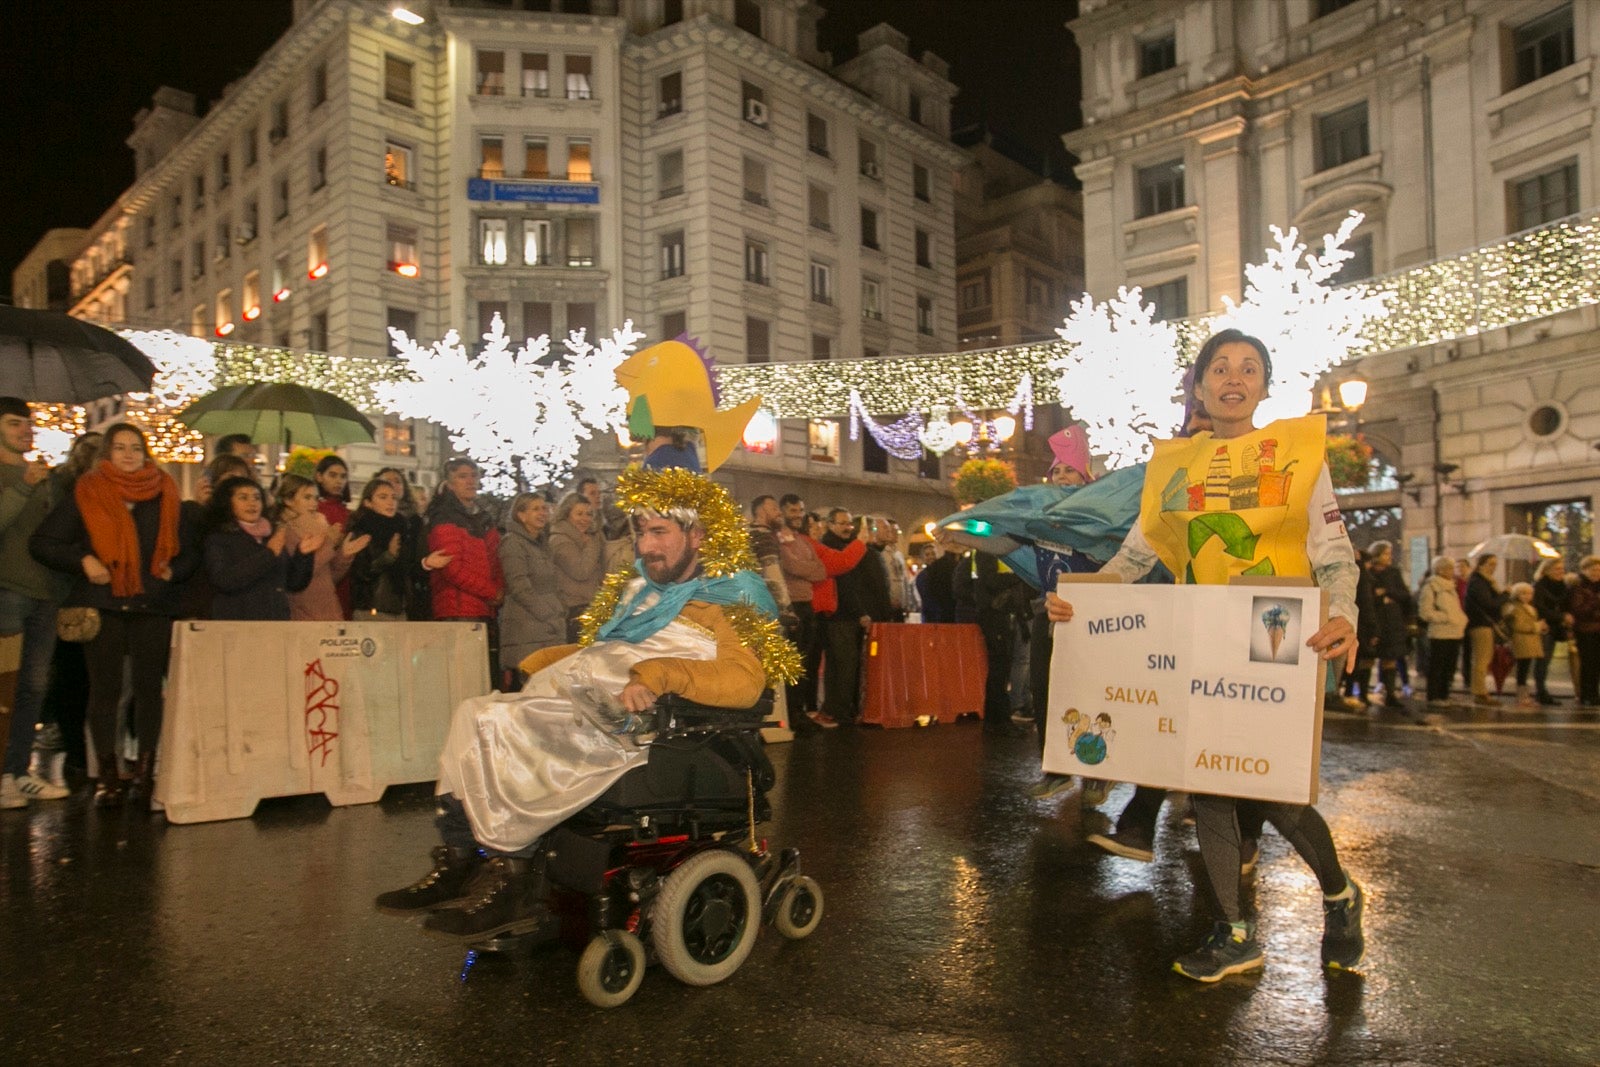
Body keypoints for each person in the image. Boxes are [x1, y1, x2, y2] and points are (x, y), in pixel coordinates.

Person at [1045, 329, 1365, 981]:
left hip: (1277, 636)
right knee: (1214, 783)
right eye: (1219, 367)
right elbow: (1136, 556)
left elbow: (1334, 554)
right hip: (1202, 638)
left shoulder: (1300, 455)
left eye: (1249, 367)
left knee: (1274, 791)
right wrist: (1081, 602)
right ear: (1198, 387)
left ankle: (1339, 892)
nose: (1233, 376)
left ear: (1265, 386)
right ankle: (1234, 931)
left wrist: (1343, 614)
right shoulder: (1175, 467)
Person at [374, 467, 779, 940]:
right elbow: (617, 647)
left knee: (502, 725)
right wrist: (558, 659)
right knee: (472, 713)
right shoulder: (644, 591)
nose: (646, 546)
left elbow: (745, 681)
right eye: (641, 531)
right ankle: (461, 859)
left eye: (659, 532)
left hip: (640, 727)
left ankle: (513, 878)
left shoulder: (738, 595)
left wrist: (662, 674)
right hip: (588, 700)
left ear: (698, 535)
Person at [30, 423, 200, 807]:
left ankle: (144, 772)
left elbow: (190, 551)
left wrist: (174, 570)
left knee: (148, 691)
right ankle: (107, 775)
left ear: (146, 453)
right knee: (105, 691)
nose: (128, 454)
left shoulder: (165, 492)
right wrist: (83, 559)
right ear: (106, 454)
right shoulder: (87, 492)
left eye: (136, 448)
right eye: (120, 447)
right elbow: (42, 542)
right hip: (103, 602)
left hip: (151, 604)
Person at [0, 397, 71, 808]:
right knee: (6, 686)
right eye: (14, 424)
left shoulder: (44, 476)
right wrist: (24, 485)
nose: (25, 430)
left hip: (45, 594)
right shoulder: (19, 476)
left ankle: (18, 770)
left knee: (34, 687)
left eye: (27, 424)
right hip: (9, 590)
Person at [427, 458, 504, 679]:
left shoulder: (481, 517)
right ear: (449, 484)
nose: (470, 481)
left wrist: (498, 589)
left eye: (473, 475)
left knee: (482, 677)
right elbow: (452, 569)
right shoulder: (444, 517)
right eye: (462, 476)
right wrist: (492, 592)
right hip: (458, 610)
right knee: (465, 678)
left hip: (482, 608)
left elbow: (494, 559)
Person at [203, 476, 320, 621]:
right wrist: (268, 554)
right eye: (243, 498)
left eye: (257, 498)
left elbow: (293, 584)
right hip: (239, 622)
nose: (252, 503)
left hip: (275, 620)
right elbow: (224, 580)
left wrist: (303, 555)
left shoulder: (270, 535)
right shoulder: (220, 538)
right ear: (228, 502)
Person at [820, 508, 888, 726]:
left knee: (844, 665)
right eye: (841, 523)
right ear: (830, 525)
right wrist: (860, 612)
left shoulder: (843, 545)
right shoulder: (832, 547)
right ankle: (839, 710)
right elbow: (846, 584)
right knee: (844, 665)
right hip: (840, 615)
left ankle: (839, 708)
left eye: (849, 523)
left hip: (845, 613)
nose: (847, 527)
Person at [348, 476, 446, 620]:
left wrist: (426, 563)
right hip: (372, 608)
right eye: (383, 497)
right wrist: (389, 555)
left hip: (400, 607)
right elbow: (361, 573)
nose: (390, 502)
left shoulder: (401, 528)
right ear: (368, 502)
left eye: (394, 497)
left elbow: (409, 567)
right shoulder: (362, 530)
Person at [275, 473, 368, 622]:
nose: (313, 503)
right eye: (307, 497)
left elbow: (330, 577)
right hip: (304, 614)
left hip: (329, 611)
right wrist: (330, 542)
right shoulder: (285, 531)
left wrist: (344, 555)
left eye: (315, 498)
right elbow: (301, 575)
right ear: (288, 500)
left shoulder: (319, 526)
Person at [498, 492, 565, 688]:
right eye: (535, 509)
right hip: (527, 629)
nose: (542, 513)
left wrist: (560, 609)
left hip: (548, 627)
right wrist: (548, 614)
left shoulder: (542, 544)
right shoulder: (513, 543)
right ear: (521, 515)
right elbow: (519, 586)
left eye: (544, 508)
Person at [776, 492, 827, 723]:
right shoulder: (779, 537)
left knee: (805, 662)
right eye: (793, 511)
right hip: (791, 605)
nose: (798, 515)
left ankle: (800, 711)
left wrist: (804, 568)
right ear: (783, 511)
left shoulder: (803, 540)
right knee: (793, 663)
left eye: (800, 511)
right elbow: (791, 565)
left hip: (807, 605)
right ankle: (792, 715)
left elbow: (821, 570)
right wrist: (806, 569)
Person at [549, 491, 606, 642]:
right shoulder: (560, 540)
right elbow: (581, 571)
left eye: (588, 514)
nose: (585, 519)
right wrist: (593, 543)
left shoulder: (587, 538)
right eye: (579, 514)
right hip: (574, 610)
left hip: (592, 606)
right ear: (567, 514)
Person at [1365, 540, 1414, 711]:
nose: (1389, 557)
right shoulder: (1367, 572)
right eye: (1386, 553)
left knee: (1390, 659)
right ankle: (1362, 694)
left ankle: (1390, 694)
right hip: (1374, 621)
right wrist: (1380, 598)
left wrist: (1387, 592)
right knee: (1367, 658)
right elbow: (1366, 596)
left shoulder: (1393, 573)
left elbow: (1404, 595)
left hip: (1392, 622)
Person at [1416, 555, 1469, 708]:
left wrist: (1460, 619)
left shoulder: (1451, 586)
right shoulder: (1431, 587)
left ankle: (1444, 694)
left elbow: (1456, 608)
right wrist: (1446, 617)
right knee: (1437, 665)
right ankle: (1434, 695)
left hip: (1455, 631)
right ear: (1440, 569)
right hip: (1440, 633)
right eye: (1450, 568)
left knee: (1449, 666)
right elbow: (1425, 612)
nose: (1453, 571)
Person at [1464, 553, 1506, 705]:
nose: (1493, 567)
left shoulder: (1487, 582)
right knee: (1482, 659)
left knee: (1484, 658)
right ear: (1481, 565)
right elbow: (1489, 604)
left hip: (1484, 623)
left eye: (1495, 564)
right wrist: (1505, 595)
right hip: (1480, 624)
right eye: (1490, 564)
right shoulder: (1478, 582)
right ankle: (1480, 692)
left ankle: (1480, 691)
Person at [1531, 557, 1571, 705]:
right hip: (1544, 627)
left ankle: (1542, 691)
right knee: (1543, 660)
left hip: (1557, 627)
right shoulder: (1540, 586)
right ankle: (1540, 691)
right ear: (1547, 570)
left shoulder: (1563, 586)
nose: (1561, 572)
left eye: (1562, 569)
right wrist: (1561, 616)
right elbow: (1540, 608)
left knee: (1546, 660)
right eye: (1557, 569)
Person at [1503, 582, 1545, 710]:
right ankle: (1521, 696)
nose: (1527, 596)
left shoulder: (1530, 608)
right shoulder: (1515, 608)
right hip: (1522, 641)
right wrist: (1536, 627)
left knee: (1525, 669)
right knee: (1522, 669)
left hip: (1530, 641)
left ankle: (1524, 695)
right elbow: (1519, 625)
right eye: (1524, 593)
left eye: (1530, 593)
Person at [1569, 556, 1600, 707]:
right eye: (1593, 570)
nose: (1597, 573)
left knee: (1596, 664)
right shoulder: (1579, 587)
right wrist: (1595, 603)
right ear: (1585, 570)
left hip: (1597, 628)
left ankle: (1594, 693)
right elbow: (1578, 610)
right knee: (1588, 663)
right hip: (1586, 630)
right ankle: (1586, 694)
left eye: (1599, 570)